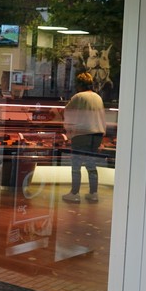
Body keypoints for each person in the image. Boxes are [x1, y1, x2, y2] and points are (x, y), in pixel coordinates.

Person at [62, 72, 106, 203]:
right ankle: (93, 193)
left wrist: (68, 130)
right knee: (91, 163)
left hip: (82, 133)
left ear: (79, 84)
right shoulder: (98, 97)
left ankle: (74, 193)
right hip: (97, 134)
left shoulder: (78, 97)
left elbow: (67, 112)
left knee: (76, 165)